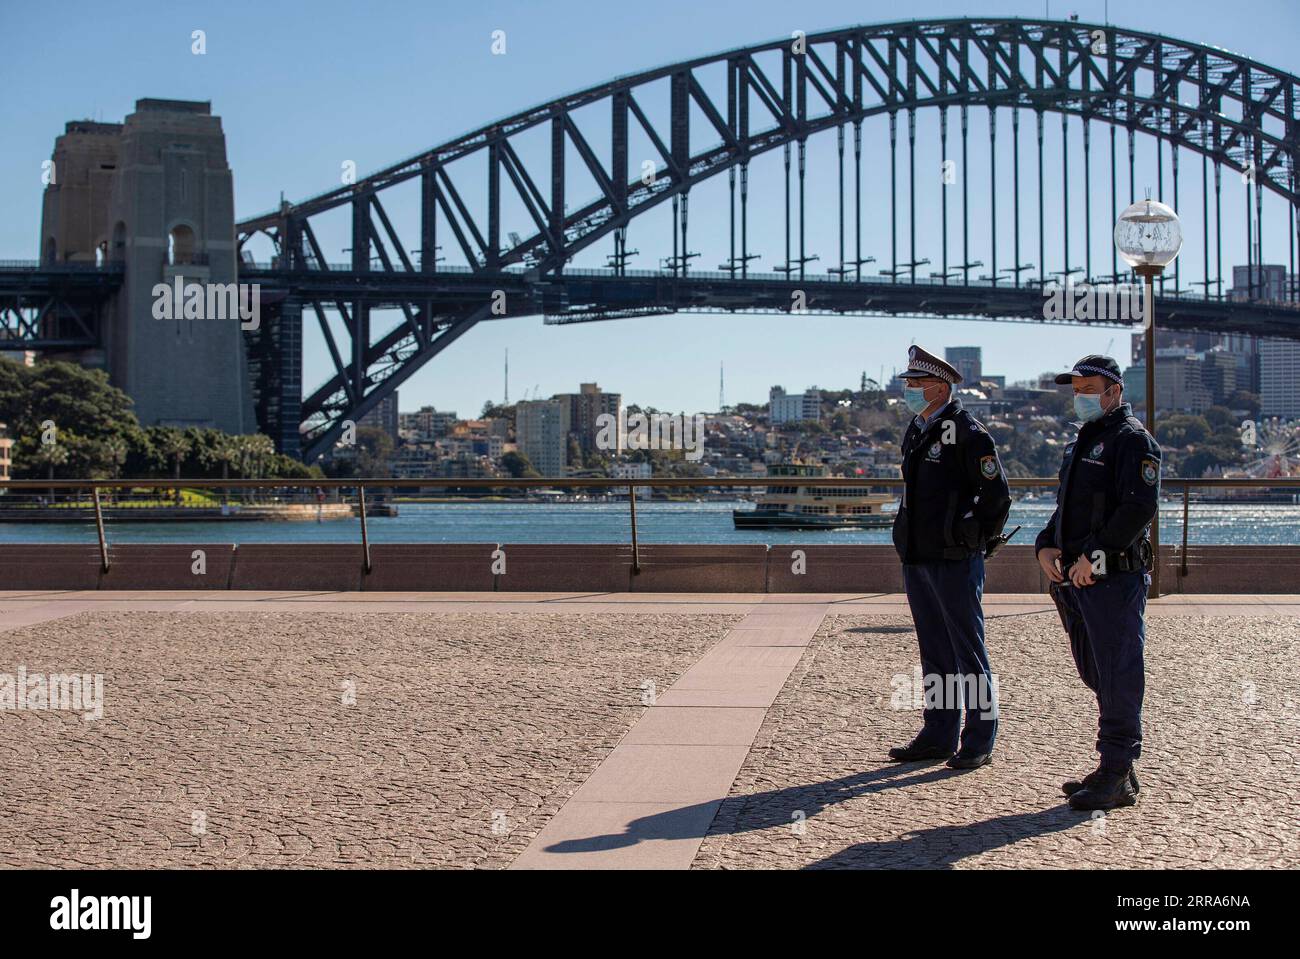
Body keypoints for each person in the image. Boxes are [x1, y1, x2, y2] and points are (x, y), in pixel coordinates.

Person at [1035, 354, 1160, 811]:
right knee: (1096, 672)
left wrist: (1097, 556)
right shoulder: (1082, 441)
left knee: (1119, 672)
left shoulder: (1133, 442)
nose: (1081, 396)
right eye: (1077, 388)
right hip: (1074, 579)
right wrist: (1045, 545)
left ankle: (1116, 769)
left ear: (1114, 391)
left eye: (1090, 388)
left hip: (1112, 578)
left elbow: (1138, 508)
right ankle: (1117, 769)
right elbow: (1065, 509)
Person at [889, 345, 1011, 770]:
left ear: (940, 388)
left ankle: (979, 739)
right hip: (919, 556)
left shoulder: (969, 433)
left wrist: (971, 539)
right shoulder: (918, 429)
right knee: (935, 651)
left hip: (954, 558)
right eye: (909, 384)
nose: (909, 391)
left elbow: (997, 496)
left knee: (967, 651)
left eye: (916, 385)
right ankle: (938, 733)